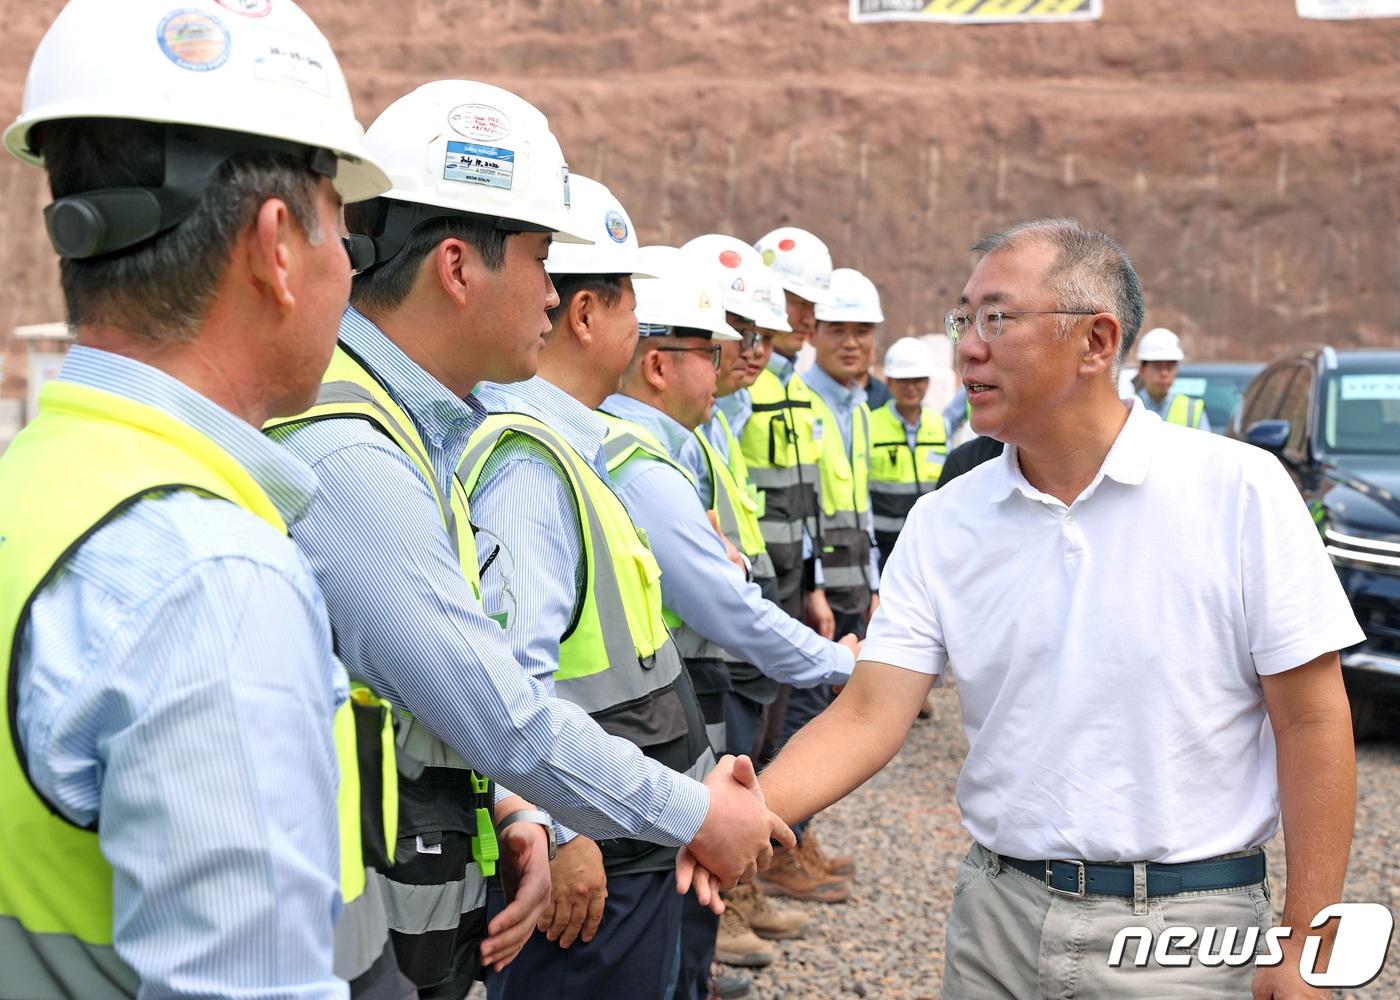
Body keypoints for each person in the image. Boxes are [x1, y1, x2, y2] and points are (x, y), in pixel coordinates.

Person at [744, 218, 1362, 999]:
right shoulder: (949, 520)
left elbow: (1311, 720)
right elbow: (869, 712)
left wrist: (1311, 941)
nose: (967, 346)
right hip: (995, 922)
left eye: (997, 318)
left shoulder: (1239, 492)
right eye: (962, 319)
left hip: (1184, 936)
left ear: (1097, 342)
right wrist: (742, 814)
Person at [268, 82, 790, 998]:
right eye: (544, 260)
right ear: (460, 268)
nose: (555, 293)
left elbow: (435, 685)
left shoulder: (410, 430)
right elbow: (496, 707)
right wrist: (692, 814)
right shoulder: (353, 456)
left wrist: (513, 807)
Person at [0, 1, 400, 995]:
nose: (348, 269)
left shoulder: (32, 486)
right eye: (341, 228)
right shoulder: (209, 574)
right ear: (274, 245)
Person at [457, 178, 721, 1000]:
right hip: (594, 859)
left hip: (629, 841)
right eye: (631, 303)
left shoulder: (578, 452)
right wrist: (566, 833)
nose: (641, 326)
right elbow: (515, 679)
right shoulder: (532, 469)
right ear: (585, 315)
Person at [598, 244, 858, 1000]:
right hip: (674, 691)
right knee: (670, 893)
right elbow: (720, 601)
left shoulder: (666, 448)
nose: (738, 363)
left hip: (679, 689)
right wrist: (840, 665)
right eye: (716, 351)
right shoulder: (642, 462)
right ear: (659, 365)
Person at [867, 336, 948, 574]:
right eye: (903, 380)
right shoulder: (870, 423)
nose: (911, 388)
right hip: (884, 547)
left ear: (928, 382)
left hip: (929, 543)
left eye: (918, 380)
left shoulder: (939, 425)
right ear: (889, 382)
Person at [1135, 326, 1210, 429]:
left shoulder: (1192, 410)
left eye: (1170, 366)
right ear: (1142, 370)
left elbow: (1204, 444)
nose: (1164, 373)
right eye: (1157, 366)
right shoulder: (1127, 407)